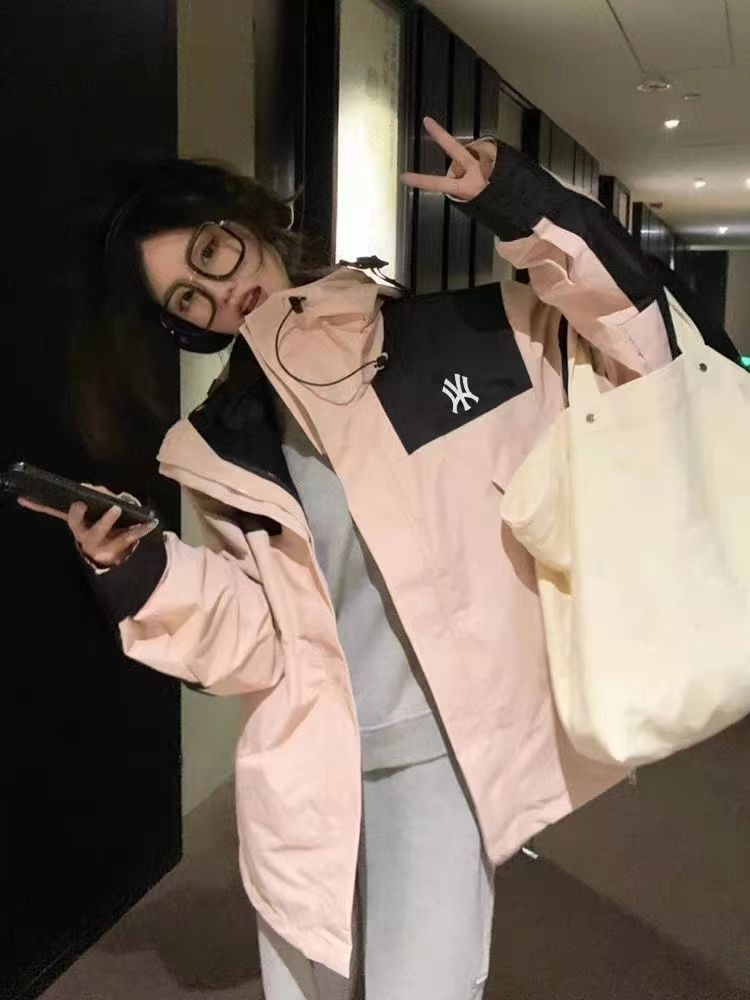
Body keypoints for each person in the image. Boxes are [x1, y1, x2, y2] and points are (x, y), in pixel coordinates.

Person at [21, 117, 674, 1000]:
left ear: (243, 218)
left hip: (447, 744)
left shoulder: (453, 340)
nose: (222, 294)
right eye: (187, 299)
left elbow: (641, 347)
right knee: (309, 977)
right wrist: (142, 572)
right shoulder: (226, 442)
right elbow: (263, 639)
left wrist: (522, 203)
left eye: (211, 253)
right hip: (311, 749)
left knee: (423, 984)